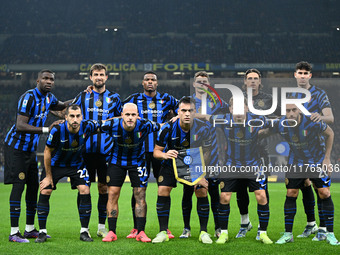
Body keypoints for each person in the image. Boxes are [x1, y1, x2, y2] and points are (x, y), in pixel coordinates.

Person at [4, 69, 70, 243]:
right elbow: (20, 125)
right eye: (45, 78)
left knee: (33, 186)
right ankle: (13, 232)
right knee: (19, 186)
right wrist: (48, 129)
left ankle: (29, 229)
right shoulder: (28, 97)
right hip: (16, 148)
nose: (49, 81)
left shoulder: (49, 98)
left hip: (30, 149)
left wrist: (83, 96)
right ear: (37, 80)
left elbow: (63, 106)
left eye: (51, 79)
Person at [260, 103, 339, 246]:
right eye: (288, 110)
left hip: (316, 160)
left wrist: (327, 158)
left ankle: (330, 233)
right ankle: (288, 234)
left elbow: (330, 133)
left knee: (324, 193)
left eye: (294, 110)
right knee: (291, 193)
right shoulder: (281, 123)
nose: (291, 113)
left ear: (299, 111)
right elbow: (265, 132)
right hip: (295, 162)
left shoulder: (312, 121)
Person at [123, 71, 178, 239]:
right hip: (139, 152)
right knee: (139, 189)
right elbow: (119, 112)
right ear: (142, 82)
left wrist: (175, 117)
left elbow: (183, 109)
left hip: (160, 151)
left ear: (157, 82)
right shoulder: (133, 99)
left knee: (164, 189)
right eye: (147, 79)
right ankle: (135, 228)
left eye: (153, 79)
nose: (150, 82)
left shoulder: (167, 99)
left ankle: (165, 228)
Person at [152, 97, 213, 244]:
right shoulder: (167, 128)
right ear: (177, 112)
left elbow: (207, 152)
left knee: (201, 190)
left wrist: (201, 172)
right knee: (162, 191)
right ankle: (162, 232)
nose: (187, 114)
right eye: (183, 110)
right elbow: (156, 152)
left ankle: (204, 232)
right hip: (171, 163)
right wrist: (165, 155)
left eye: (190, 111)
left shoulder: (204, 128)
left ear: (195, 112)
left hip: (194, 164)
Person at [35, 104, 100, 243]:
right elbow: (47, 151)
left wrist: (127, 116)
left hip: (76, 164)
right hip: (55, 165)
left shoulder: (88, 126)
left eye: (78, 116)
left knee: (85, 189)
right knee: (45, 191)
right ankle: (42, 232)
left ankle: (84, 231)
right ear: (66, 117)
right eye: (72, 116)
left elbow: (108, 123)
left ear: (82, 117)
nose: (75, 119)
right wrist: (48, 176)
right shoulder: (58, 130)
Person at [212, 98, 273, 244]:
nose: (238, 112)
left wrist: (264, 133)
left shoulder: (257, 120)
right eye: (235, 108)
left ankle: (263, 233)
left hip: (254, 165)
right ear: (230, 109)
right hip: (231, 164)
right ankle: (224, 234)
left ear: (247, 108)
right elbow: (205, 117)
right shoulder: (224, 119)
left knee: (261, 196)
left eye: (242, 108)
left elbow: (275, 124)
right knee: (225, 197)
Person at [72, 63, 122, 238]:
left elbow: (123, 119)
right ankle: (84, 228)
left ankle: (101, 226)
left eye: (102, 74)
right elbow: (71, 114)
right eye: (96, 74)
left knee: (103, 188)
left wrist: (107, 123)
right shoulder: (82, 96)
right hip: (84, 152)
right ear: (91, 77)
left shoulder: (114, 98)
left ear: (106, 77)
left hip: (106, 152)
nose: (99, 77)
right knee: (83, 188)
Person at [100, 103, 162, 243]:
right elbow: (91, 126)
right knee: (113, 194)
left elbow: (163, 126)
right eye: (127, 114)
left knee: (140, 194)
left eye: (133, 115)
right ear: (122, 115)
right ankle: (111, 231)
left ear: (137, 116)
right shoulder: (111, 125)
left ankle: (140, 232)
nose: (130, 118)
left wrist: (177, 119)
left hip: (137, 162)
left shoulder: (145, 125)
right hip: (116, 162)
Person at [179, 71, 227, 239]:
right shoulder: (189, 102)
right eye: (198, 81)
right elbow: (181, 113)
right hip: (191, 153)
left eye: (204, 82)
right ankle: (186, 228)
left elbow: (230, 114)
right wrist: (204, 116)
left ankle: (218, 227)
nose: (201, 84)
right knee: (188, 190)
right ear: (194, 84)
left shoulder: (218, 102)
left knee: (214, 191)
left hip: (213, 152)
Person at [291, 61, 334, 239]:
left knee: (321, 190)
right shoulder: (291, 95)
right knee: (302, 186)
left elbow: (330, 118)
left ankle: (324, 229)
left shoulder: (319, 94)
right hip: (296, 149)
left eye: (305, 73)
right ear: (295, 75)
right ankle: (311, 224)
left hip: (316, 150)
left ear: (310, 76)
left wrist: (320, 116)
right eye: (299, 73)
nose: (302, 76)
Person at [235, 69, 278, 238]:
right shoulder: (238, 99)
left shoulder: (268, 100)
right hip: (240, 150)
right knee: (240, 188)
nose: (252, 81)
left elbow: (279, 121)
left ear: (260, 82)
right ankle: (245, 223)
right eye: (249, 78)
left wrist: (263, 133)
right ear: (244, 82)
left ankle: (262, 227)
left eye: (255, 78)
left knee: (262, 189)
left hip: (260, 150)